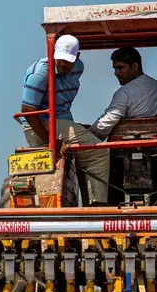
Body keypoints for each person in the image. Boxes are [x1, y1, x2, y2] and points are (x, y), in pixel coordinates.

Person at [20, 34, 109, 206]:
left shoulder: (78, 68)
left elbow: (63, 106)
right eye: (59, 59)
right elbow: (28, 111)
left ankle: (85, 203)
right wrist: (51, 140)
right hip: (41, 122)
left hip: (61, 121)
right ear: (53, 53)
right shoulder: (39, 73)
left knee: (85, 149)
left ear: (78, 57)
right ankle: (97, 206)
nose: (62, 64)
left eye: (67, 60)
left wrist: (73, 127)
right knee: (99, 152)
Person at [89, 47, 157, 140]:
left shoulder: (125, 91)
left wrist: (87, 136)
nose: (116, 73)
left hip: (131, 149)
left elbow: (107, 122)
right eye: (115, 68)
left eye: (120, 68)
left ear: (135, 66)